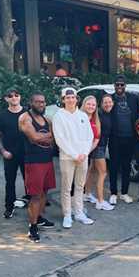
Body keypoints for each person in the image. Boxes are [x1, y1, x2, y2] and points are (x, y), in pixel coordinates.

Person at [52, 87, 94, 228]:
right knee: (66, 187)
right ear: (63, 99)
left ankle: (79, 213)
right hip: (67, 158)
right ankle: (67, 215)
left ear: (77, 99)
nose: (71, 100)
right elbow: (60, 139)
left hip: (83, 157)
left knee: (80, 186)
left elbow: (90, 136)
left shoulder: (82, 115)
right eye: (67, 97)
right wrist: (75, 154)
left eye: (73, 97)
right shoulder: (59, 116)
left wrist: (84, 153)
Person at [19, 93, 56, 242]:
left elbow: (54, 136)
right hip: (33, 162)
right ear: (31, 102)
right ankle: (32, 227)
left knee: (44, 192)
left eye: (43, 102)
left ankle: (39, 218)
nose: (41, 104)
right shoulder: (25, 118)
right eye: (38, 102)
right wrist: (49, 136)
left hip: (47, 160)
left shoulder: (46, 119)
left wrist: (48, 136)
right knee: (35, 195)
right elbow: (33, 137)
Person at [0, 88, 26, 218]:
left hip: (27, 154)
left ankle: (33, 204)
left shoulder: (27, 113)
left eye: (16, 95)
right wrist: (3, 151)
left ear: (20, 97)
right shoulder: (2, 116)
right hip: (10, 154)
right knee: (10, 182)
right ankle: (9, 207)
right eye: (10, 96)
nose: (14, 98)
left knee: (29, 181)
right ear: (6, 99)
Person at [109, 75, 139, 205]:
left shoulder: (133, 98)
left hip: (129, 138)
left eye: (122, 84)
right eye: (117, 84)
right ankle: (113, 193)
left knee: (126, 167)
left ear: (125, 85)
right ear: (114, 86)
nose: (119, 87)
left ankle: (124, 193)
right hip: (114, 138)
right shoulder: (109, 99)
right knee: (114, 166)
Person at [83, 95, 114, 211]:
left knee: (92, 170)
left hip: (100, 145)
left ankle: (87, 194)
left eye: (110, 102)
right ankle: (100, 201)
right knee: (103, 173)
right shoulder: (98, 114)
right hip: (98, 146)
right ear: (101, 104)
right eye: (105, 102)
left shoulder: (108, 114)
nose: (108, 104)